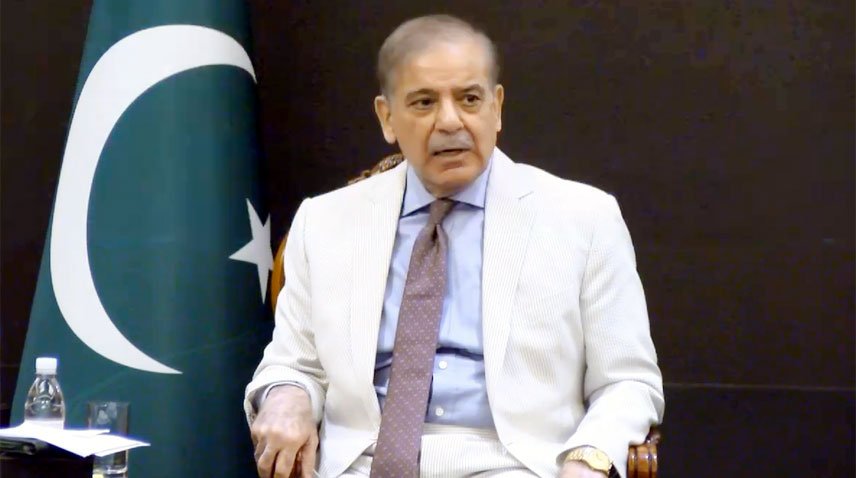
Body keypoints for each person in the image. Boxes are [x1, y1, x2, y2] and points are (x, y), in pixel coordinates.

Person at [245, 14, 663, 478]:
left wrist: (588, 459)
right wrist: (287, 397)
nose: (450, 121)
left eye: (469, 99)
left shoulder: (583, 219)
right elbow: (293, 364)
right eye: (424, 102)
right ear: (386, 117)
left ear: (496, 108)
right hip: (360, 464)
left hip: (517, 464)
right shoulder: (325, 222)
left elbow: (628, 381)